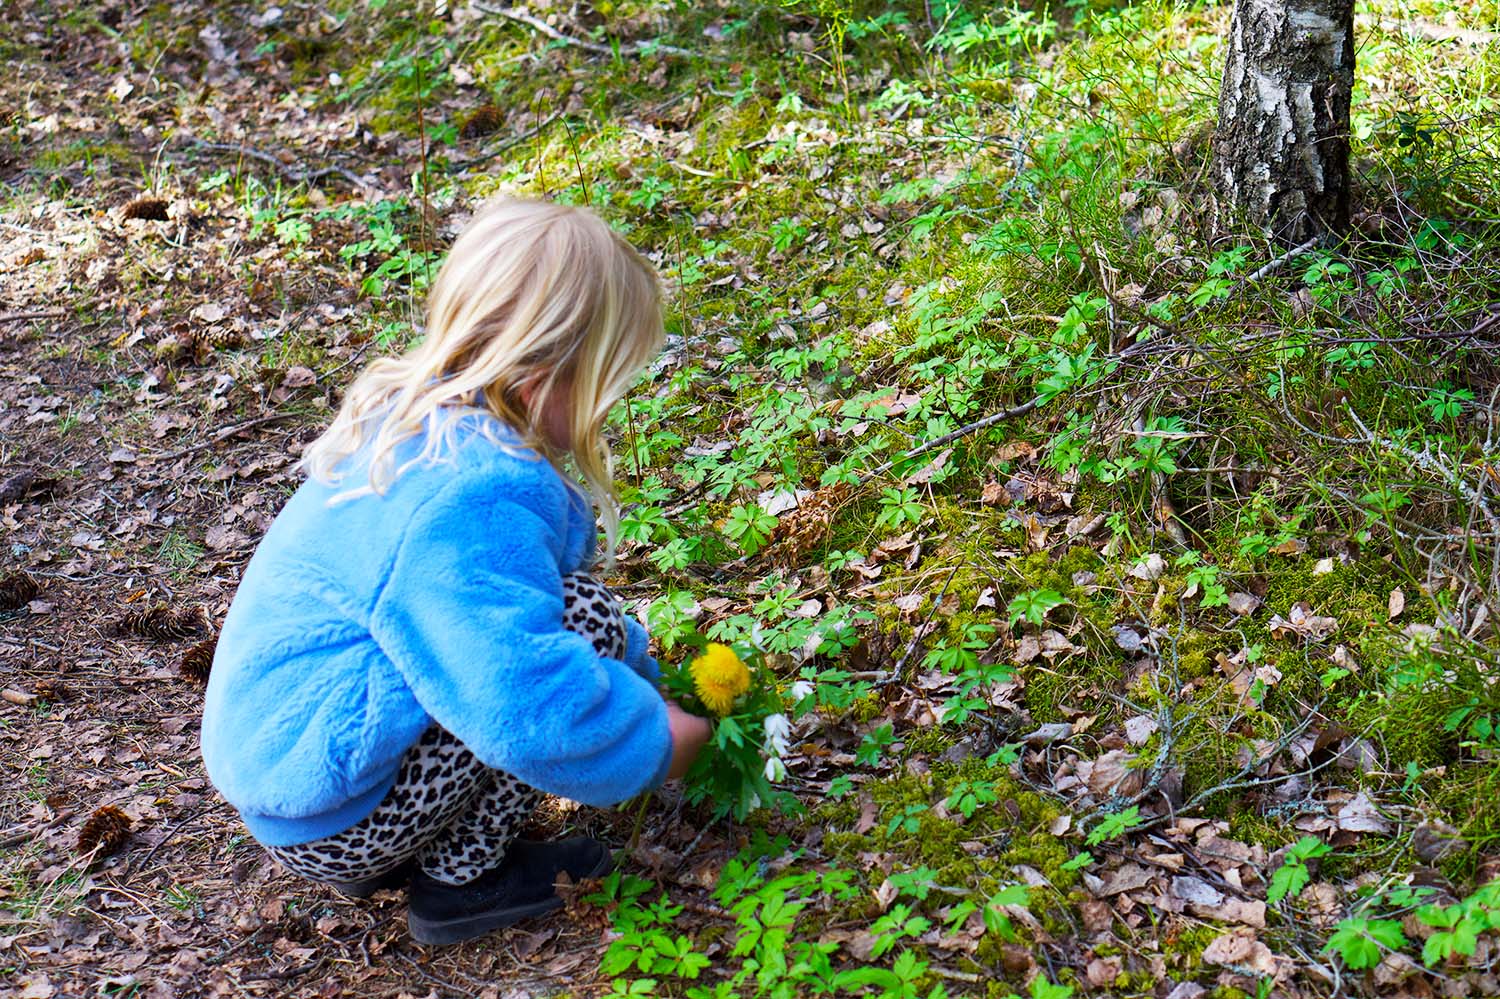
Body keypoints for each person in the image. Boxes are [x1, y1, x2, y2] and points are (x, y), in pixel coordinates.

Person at [201, 198, 713, 946]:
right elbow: (519, 699)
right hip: (328, 809)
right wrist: (655, 744)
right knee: (565, 632)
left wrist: (653, 681)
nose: (612, 408)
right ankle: (462, 883)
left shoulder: (419, 425)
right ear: (547, 375)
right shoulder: (472, 494)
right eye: (608, 383)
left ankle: (394, 835)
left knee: (562, 617)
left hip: (296, 771)